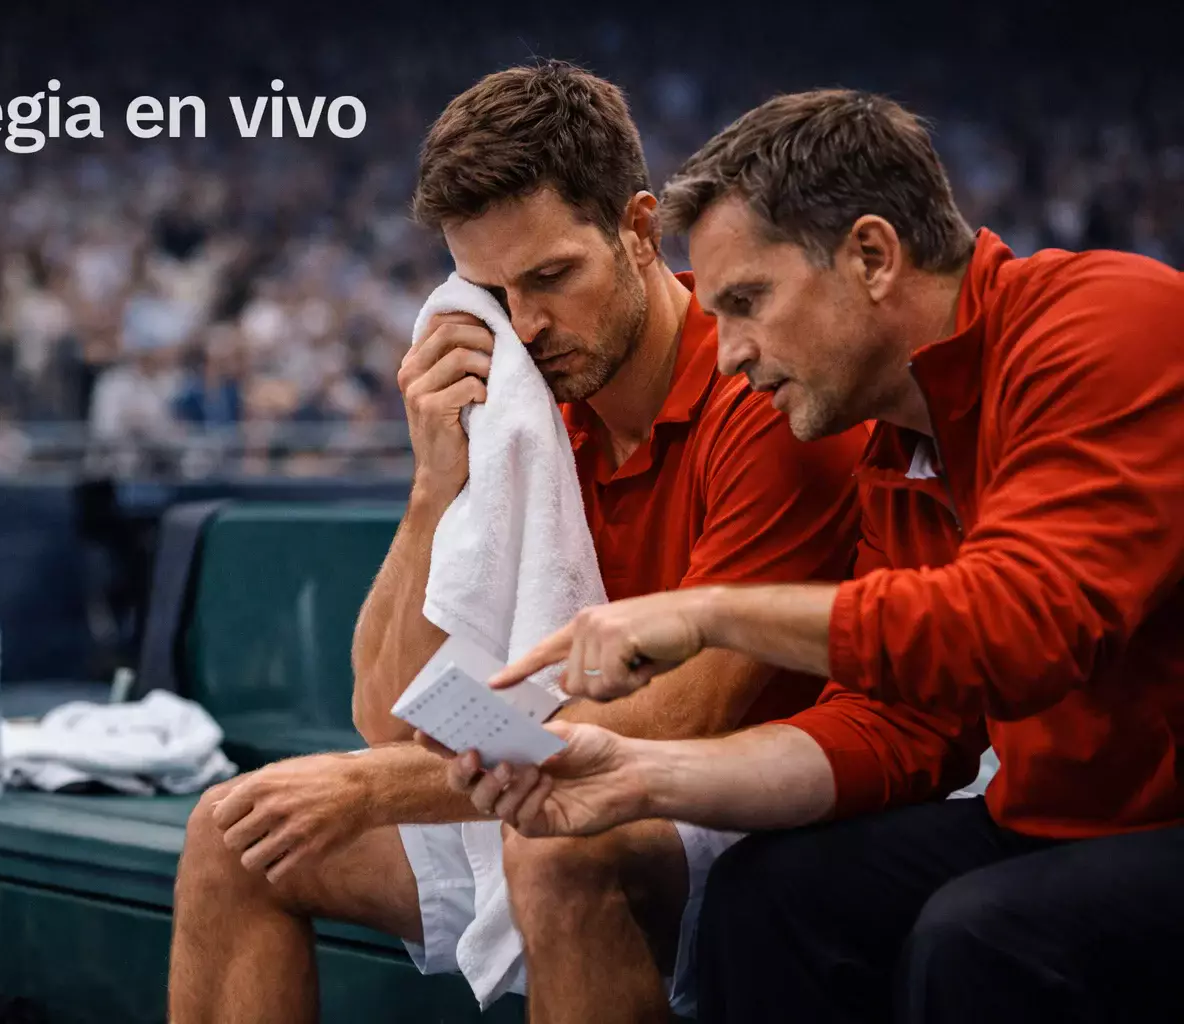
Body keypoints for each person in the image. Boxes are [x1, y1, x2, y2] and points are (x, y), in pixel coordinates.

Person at [440, 88, 1184, 1024]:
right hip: (1058, 826)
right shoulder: (899, 444)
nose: (730, 354)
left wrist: (711, 613)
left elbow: (1019, 625)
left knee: (979, 936)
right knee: (768, 897)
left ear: (872, 256)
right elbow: (895, 729)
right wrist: (633, 776)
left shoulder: (1111, 321)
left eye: (748, 303)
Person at [166, 62, 866, 1023]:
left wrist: (373, 789)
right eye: (494, 292)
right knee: (237, 831)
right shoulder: (525, 412)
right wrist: (433, 487)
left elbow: (680, 718)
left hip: (745, 805)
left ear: (639, 228)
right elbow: (385, 712)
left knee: (558, 852)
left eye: (552, 277)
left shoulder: (757, 389)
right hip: (553, 777)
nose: (528, 326)